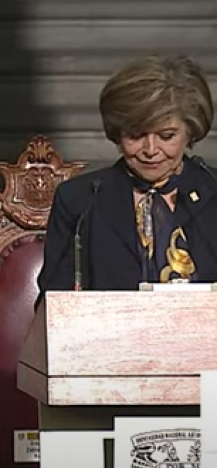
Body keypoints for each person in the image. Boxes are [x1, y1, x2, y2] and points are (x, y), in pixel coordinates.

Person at [37, 55, 217, 297]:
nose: (151, 150)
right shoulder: (80, 201)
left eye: (166, 136)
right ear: (117, 133)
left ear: (190, 131)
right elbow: (54, 300)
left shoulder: (212, 191)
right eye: (135, 135)